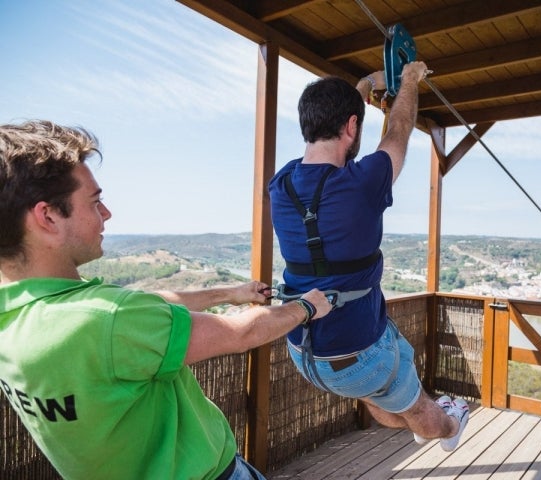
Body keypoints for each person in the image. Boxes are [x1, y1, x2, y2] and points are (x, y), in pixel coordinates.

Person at [0, 120, 332, 480]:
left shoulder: (17, 318)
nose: (107, 213)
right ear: (48, 216)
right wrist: (307, 306)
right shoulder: (107, 318)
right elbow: (239, 334)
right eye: (95, 202)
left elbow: (146, 303)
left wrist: (229, 293)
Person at [267, 62, 469, 452]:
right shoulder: (361, 183)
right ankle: (448, 424)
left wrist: (362, 86)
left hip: (305, 351)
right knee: (417, 409)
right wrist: (409, 81)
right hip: (359, 352)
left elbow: (340, 135)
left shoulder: (282, 184)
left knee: (384, 384)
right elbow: (399, 130)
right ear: (353, 127)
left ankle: (419, 410)